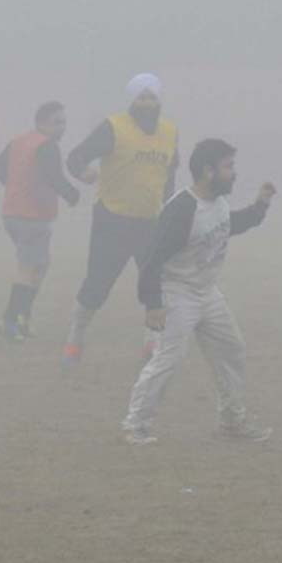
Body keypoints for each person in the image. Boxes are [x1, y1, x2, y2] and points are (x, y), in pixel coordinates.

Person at [121, 138, 276, 445]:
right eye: (228, 167)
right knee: (169, 358)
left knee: (232, 350)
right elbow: (152, 259)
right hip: (176, 292)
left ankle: (232, 421)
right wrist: (153, 303)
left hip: (207, 292)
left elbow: (231, 225)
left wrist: (261, 206)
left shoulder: (217, 203)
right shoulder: (182, 209)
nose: (234, 173)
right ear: (208, 171)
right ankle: (135, 424)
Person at [61, 73, 179, 368]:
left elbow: (170, 176)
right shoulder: (114, 127)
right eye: (142, 97)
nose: (147, 103)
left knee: (156, 285)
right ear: (132, 100)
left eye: (152, 97)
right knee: (98, 285)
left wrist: (170, 210)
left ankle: (151, 345)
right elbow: (76, 157)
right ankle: (75, 338)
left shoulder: (169, 131)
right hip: (111, 218)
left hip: (151, 221)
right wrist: (83, 173)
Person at [0, 101, 80, 341]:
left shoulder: (19, 141)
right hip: (32, 217)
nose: (62, 127)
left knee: (39, 266)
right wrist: (73, 194)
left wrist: (14, 188)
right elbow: (55, 177)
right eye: (57, 122)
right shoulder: (47, 146)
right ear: (41, 123)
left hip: (12, 214)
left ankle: (22, 317)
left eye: (64, 122)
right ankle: (9, 321)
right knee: (28, 268)